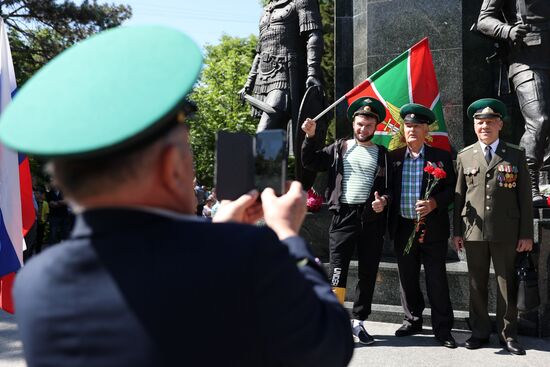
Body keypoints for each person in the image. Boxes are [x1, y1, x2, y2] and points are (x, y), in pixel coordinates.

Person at [1, 26, 354, 367]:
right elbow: (330, 345)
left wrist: (218, 233)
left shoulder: (37, 284)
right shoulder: (247, 257)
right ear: (172, 165)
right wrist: (288, 236)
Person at [301, 97, 391, 345]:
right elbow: (310, 161)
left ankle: (358, 322)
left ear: (376, 127)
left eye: (369, 125)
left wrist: (383, 200)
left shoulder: (383, 155)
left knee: (368, 272)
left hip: (371, 220)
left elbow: (389, 189)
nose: (364, 129)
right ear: (354, 123)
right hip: (343, 217)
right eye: (360, 124)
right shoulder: (339, 148)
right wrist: (310, 137)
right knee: (337, 271)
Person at [453, 98, 533, 355]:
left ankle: (508, 335)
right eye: (479, 122)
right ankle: (479, 332)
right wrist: (457, 232)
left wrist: (526, 234)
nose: (484, 126)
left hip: (506, 230)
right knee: (476, 283)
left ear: (500, 124)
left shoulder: (515, 154)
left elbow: (525, 199)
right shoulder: (465, 155)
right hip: (473, 230)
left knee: (505, 283)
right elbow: (458, 196)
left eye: (489, 122)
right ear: (474, 127)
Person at [387, 103, 456, 348]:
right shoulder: (393, 158)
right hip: (403, 227)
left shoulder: (441, 157)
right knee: (407, 277)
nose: (412, 130)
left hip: (433, 229)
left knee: (436, 278)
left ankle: (443, 327)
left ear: (427, 130)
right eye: (408, 125)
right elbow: (386, 190)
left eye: (417, 126)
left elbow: (453, 191)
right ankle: (413, 319)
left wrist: (434, 202)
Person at [240, 0, 324, 185]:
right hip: (264, 78)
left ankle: (268, 191)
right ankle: (270, 193)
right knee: (274, 136)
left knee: (265, 132)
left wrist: (312, 71)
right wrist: (248, 83)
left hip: (288, 74)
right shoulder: (266, 10)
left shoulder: (301, 1)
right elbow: (259, 52)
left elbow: (314, 35)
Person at [476, 0, 550, 206]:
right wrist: (507, 31)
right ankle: (529, 184)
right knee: (540, 120)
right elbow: (483, 20)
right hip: (527, 59)